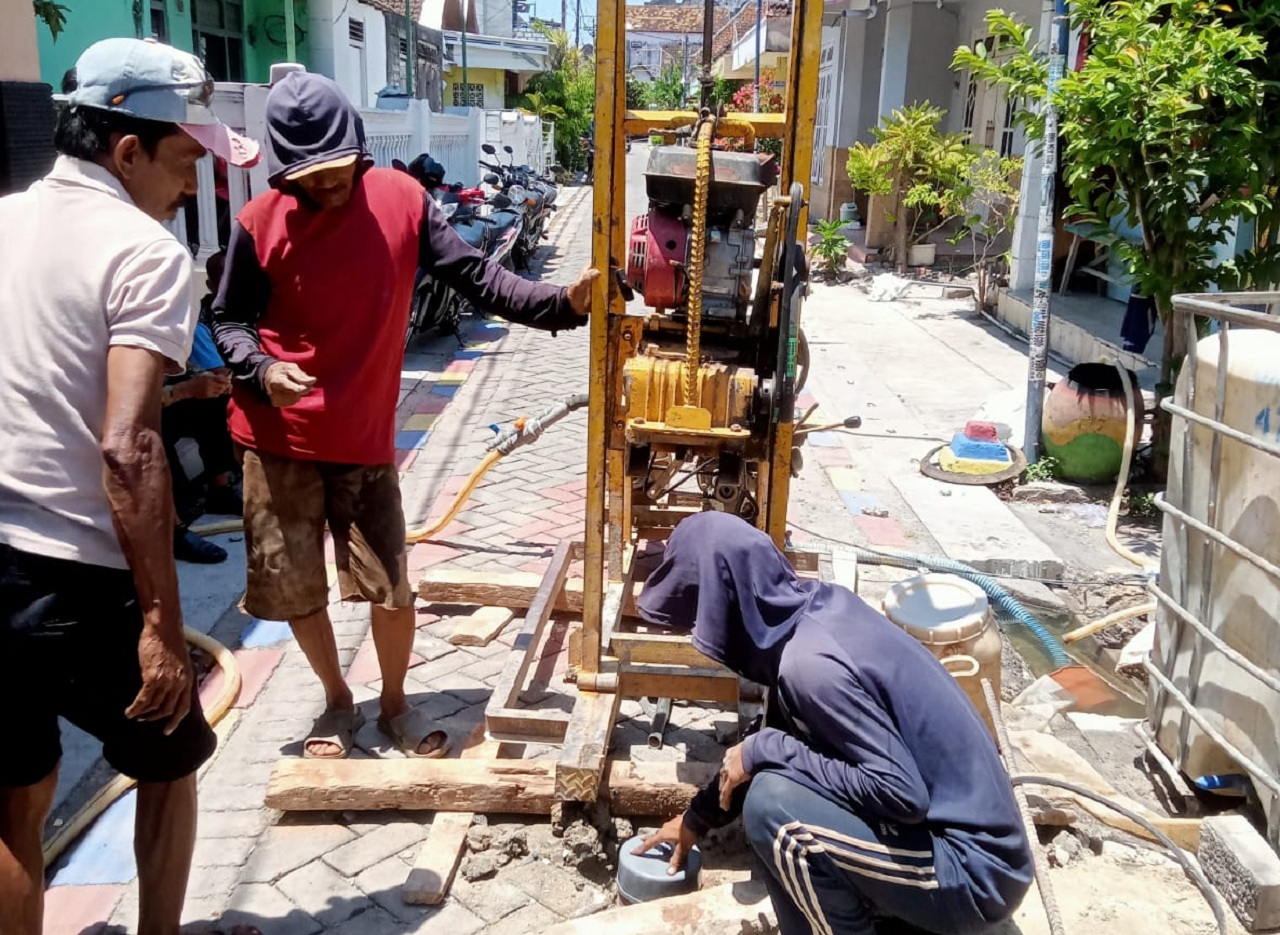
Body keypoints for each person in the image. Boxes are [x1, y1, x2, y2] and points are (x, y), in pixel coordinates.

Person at [212, 71, 599, 761]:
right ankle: (336, 700)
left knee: (391, 587)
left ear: (359, 152)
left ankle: (394, 702)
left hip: (361, 438)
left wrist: (561, 303)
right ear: (285, 170)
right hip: (275, 437)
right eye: (310, 177)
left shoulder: (403, 202)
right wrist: (263, 370)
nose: (327, 187)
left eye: (337, 171)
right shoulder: (258, 223)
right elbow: (230, 320)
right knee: (299, 586)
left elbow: (479, 277)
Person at [0, 38, 258, 935]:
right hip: (74, 575)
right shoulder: (143, 253)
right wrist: (158, 623)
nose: (193, 185)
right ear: (127, 151)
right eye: (186, 159)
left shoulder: (5, 223)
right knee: (169, 761)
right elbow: (129, 446)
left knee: (17, 796)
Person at [632, 512, 1034, 935]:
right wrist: (696, 819)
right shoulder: (816, 612)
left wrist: (765, 750)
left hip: (976, 878)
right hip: (964, 848)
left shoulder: (809, 667)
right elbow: (778, 737)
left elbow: (902, 793)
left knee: (773, 810)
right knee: (773, 772)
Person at [163, 249, 242, 564]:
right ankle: (174, 529)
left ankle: (220, 490)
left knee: (213, 402)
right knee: (148, 429)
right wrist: (185, 389)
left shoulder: (186, 324)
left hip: (173, 399)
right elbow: (133, 398)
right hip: (146, 412)